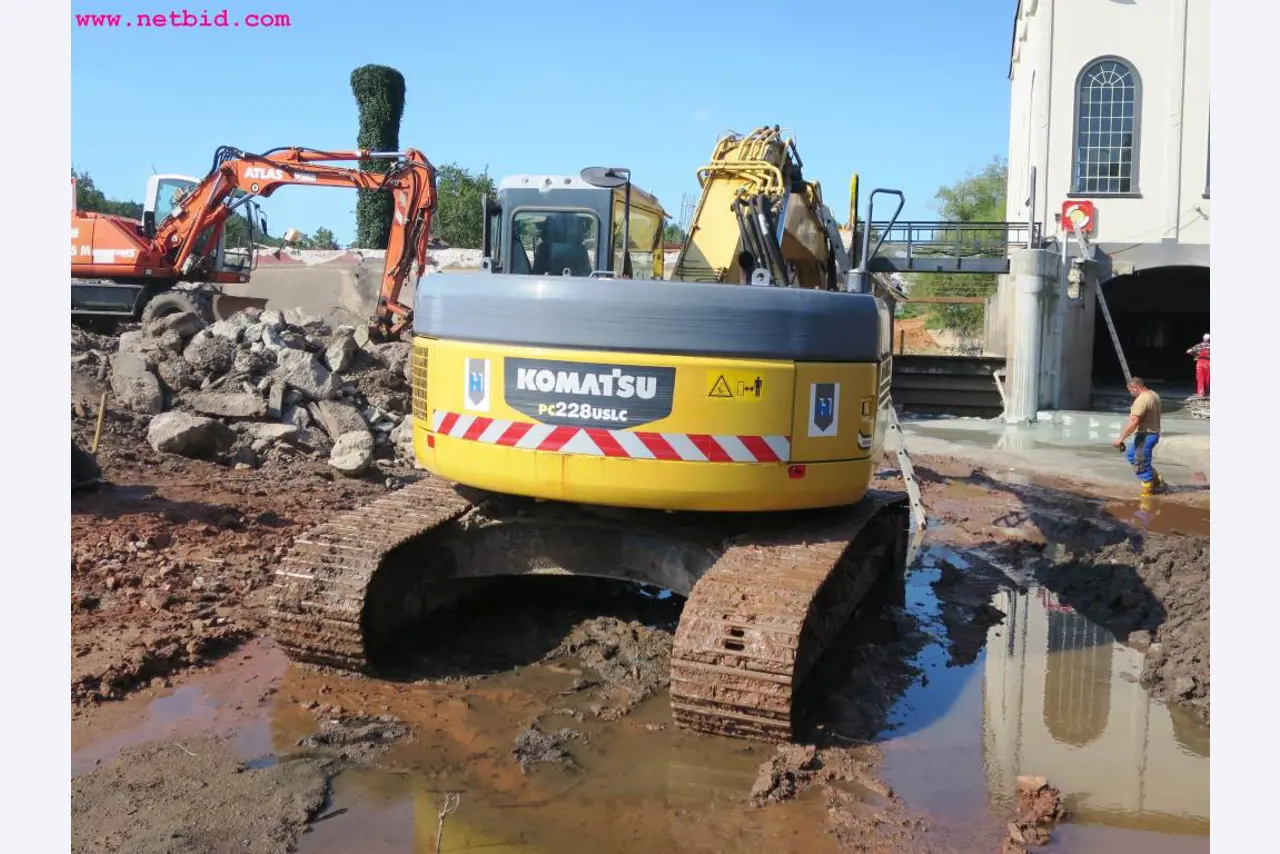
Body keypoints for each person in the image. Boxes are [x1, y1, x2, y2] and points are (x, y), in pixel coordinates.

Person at [1112, 377, 1167, 495]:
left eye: (1130, 391)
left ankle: (1147, 498)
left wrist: (1121, 438)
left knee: (1141, 464)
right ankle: (1157, 479)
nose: (1130, 393)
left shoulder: (1142, 400)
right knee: (1132, 455)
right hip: (1151, 433)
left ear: (1136, 388)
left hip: (1146, 435)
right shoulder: (1153, 394)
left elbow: (1134, 421)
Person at [1185, 333, 1210, 397]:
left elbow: (1188, 351)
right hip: (1208, 364)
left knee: (1200, 379)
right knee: (1207, 379)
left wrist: (1194, 354)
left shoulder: (1198, 346)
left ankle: (1201, 393)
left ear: (1203, 339)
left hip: (1200, 364)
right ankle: (1207, 393)